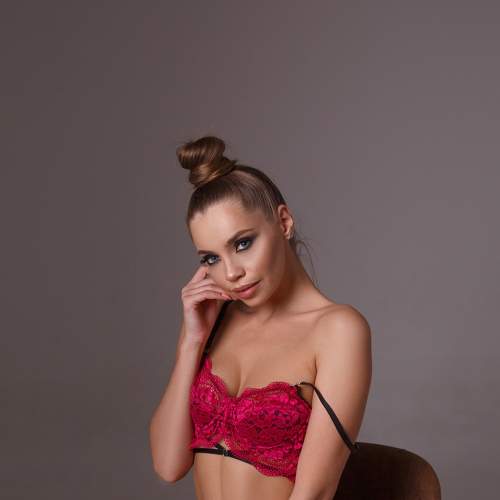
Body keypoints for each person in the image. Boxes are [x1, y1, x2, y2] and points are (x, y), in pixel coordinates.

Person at [149, 135, 372, 500]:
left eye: (242, 244)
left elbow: (314, 492)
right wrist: (192, 342)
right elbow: (167, 465)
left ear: (283, 222)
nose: (231, 273)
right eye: (211, 259)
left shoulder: (338, 330)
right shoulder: (212, 324)